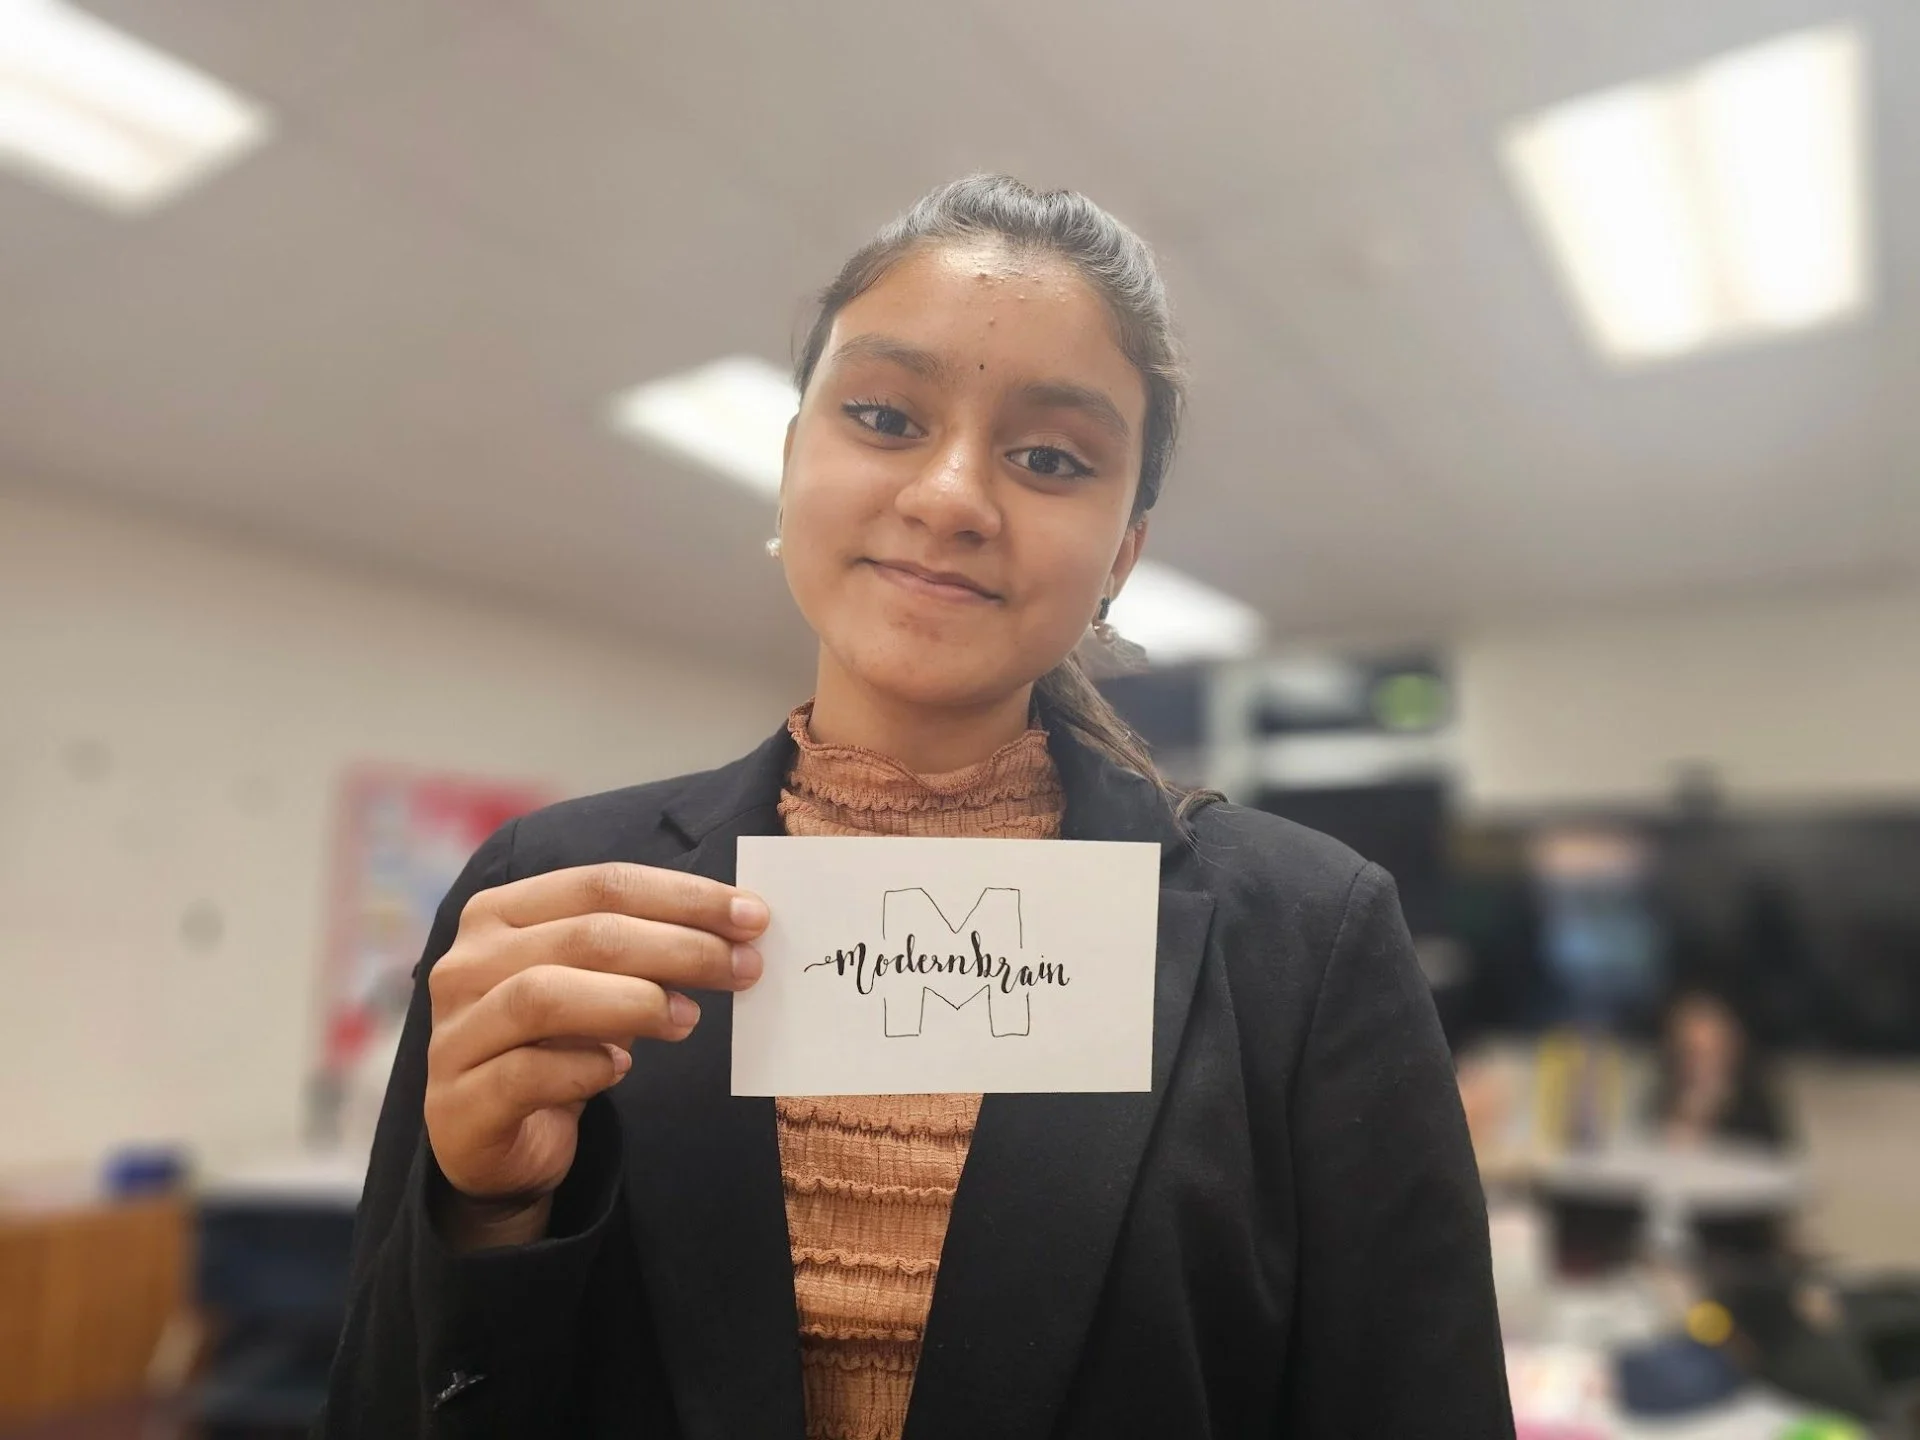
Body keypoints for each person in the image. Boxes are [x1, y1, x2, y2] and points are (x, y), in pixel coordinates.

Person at [318, 176, 1511, 1439]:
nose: (950, 495)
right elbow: (383, 1403)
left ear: (1121, 554)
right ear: (790, 465)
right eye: (885, 415)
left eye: (1050, 457)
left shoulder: (1308, 947)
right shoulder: (548, 899)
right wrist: (487, 1217)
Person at [1649, 989, 1791, 1151]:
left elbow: (1769, 1160)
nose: (1696, 1065)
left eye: (1708, 1053)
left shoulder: (1755, 1110)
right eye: (1689, 1052)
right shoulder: (1661, 1097)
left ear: (1731, 1050)